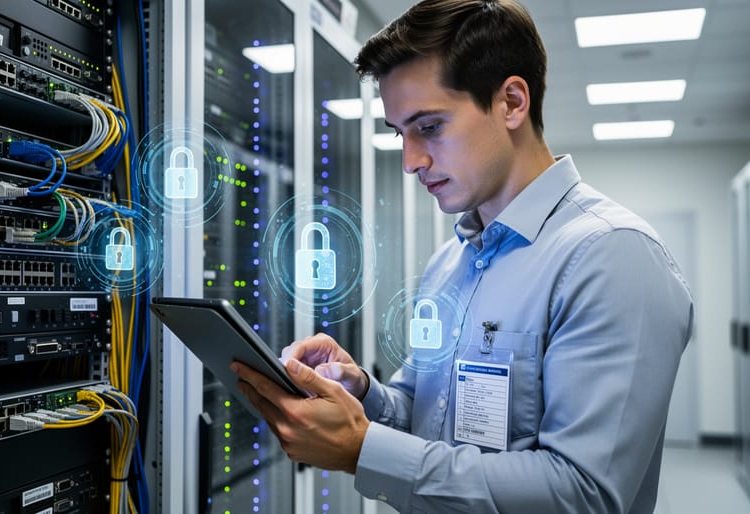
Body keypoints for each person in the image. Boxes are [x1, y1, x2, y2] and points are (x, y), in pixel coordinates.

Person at [231, 0, 694, 512]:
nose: (411, 161)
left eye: (428, 127)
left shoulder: (611, 257)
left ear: (512, 102)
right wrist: (360, 393)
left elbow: (581, 493)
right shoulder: (450, 262)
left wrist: (362, 449)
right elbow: (424, 413)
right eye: (400, 133)